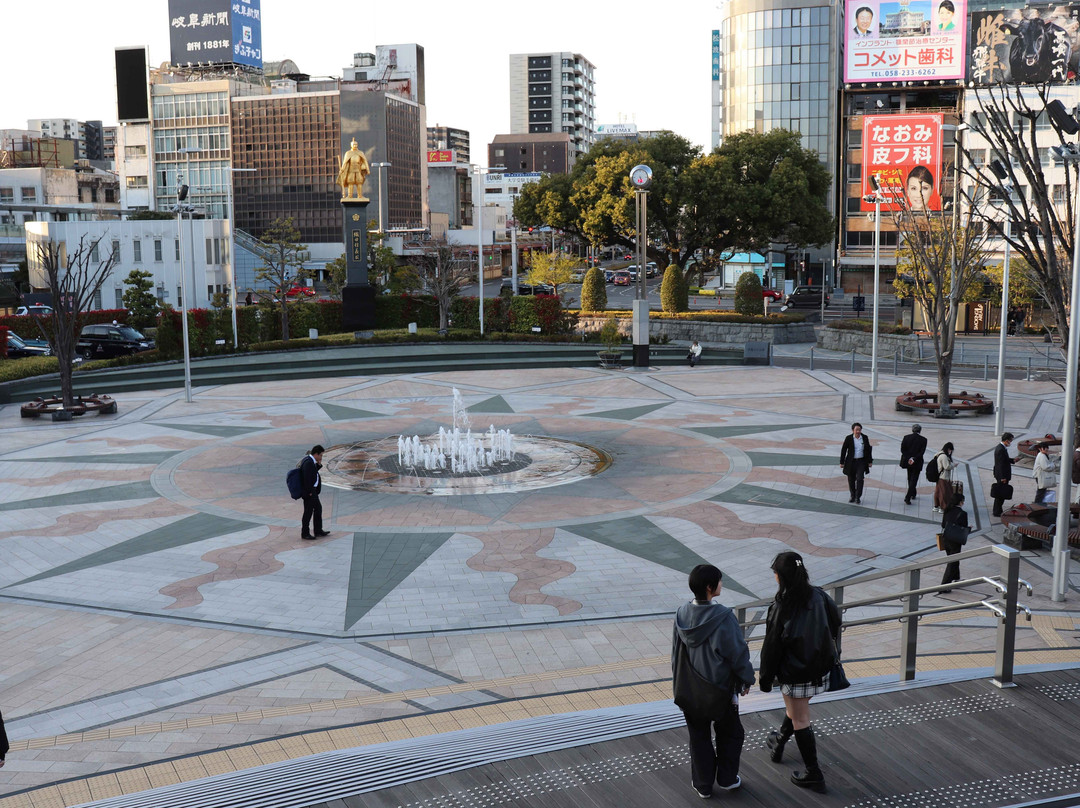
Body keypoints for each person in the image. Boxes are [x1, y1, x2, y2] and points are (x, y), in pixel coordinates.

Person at [758, 552, 841, 792]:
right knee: (797, 710)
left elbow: (772, 647)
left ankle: (813, 772)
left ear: (781, 577)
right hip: (821, 666)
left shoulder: (781, 606)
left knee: (801, 718)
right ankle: (779, 741)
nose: (774, 576)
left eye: (775, 573)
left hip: (795, 672)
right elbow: (835, 621)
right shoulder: (819, 595)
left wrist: (764, 679)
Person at [672, 564, 755, 799]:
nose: (721, 584)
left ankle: (703, 784)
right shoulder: (724, 617)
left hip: (690, 690)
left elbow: (675, 654)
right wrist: (746, 679)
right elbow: (737, 653)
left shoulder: (681, 614)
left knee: (699, 737)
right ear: (710, 588)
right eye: (719, 581)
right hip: (720, 689)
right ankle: (727, 779)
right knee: (731, 733)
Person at [940, 492, 969, 591]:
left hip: (946, 538)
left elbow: (943, 525)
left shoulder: (947, 510)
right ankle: (944, 586)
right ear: (960, 502)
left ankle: (956, 577)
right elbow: (963, 528)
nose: (963, 503)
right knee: (952, 562)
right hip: (955, 540)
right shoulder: (962, 513)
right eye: (963, 501)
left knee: (953, 559)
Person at [300, 445, 329, 540]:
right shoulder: (308, 462)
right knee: (308, 512)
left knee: (318, 509)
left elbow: (312, 473)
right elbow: (307, 479)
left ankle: (318, 530)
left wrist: (318, 465)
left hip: (313, 491)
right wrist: (309, 492)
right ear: (316, 454)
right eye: (320, 455)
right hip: (310, 492)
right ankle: (305, 533)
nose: (321, 457)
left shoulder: (310, 461)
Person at [839, 422, 873, 504]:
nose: (858, 431)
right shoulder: (849, 438)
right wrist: (841, 462)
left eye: (859, 430)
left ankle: (858, 497)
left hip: (861, 461)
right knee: (851, 479)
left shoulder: (864, 438)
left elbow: (868, 450)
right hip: (851, 462)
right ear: (852, 430)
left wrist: (870, 461)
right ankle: (852, 495)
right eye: (856, 430)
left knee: (860, 479)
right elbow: (843, 450)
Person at [900, 424, 927, 505]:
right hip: (917, 461)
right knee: (914, 479)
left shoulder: (906, 437)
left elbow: (902, 449)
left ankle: (912, 493)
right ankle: (908, 496)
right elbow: (921, 452)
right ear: (920, 430)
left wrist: (909, 458)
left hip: (907, 461)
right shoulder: (924, 440)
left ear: (912, 430)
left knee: (909, 477)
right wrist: (913, 458)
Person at [993, 432, 1017, 517]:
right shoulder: (1000, 449)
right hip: (1002, 476)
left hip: (1002, 475)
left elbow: (1004, 460)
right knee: (1000, 494)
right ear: (1007, 440)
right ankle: (997, 511)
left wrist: (1012, 460)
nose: (1010, 443)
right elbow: (1000, 465)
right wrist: (1002, 477)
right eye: (1010, 441)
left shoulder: (1001, 448)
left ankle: (998, 510)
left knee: (1000, 494)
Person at [932, 442, 957, 513]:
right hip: (943, 477)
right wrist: (953, 465)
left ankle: (936, 506)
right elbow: (947, 467)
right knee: (944, 493)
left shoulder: (939, 454)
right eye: (950, 450)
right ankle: (942, 507)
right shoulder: (944, 456)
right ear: (948, 449)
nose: (950, 452)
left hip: (939, 476)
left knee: (937, 492)